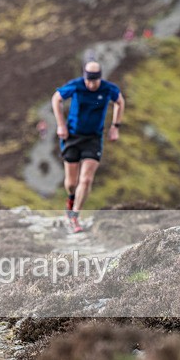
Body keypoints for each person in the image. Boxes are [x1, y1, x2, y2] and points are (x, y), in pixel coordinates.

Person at [51, 60, 125, 233]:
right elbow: (56, 99)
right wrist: (61, 124)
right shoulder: (76, 86)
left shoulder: (108, 89)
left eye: (94, 80)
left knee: (86, 179)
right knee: (71, 183)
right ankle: (70, 200)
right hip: (72, 136)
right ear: (84, 76)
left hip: (93, 138)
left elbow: (119, 102)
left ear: (100, 77)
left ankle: (74, 216)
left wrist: (115, 126)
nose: (91, 84)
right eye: (88, 80)